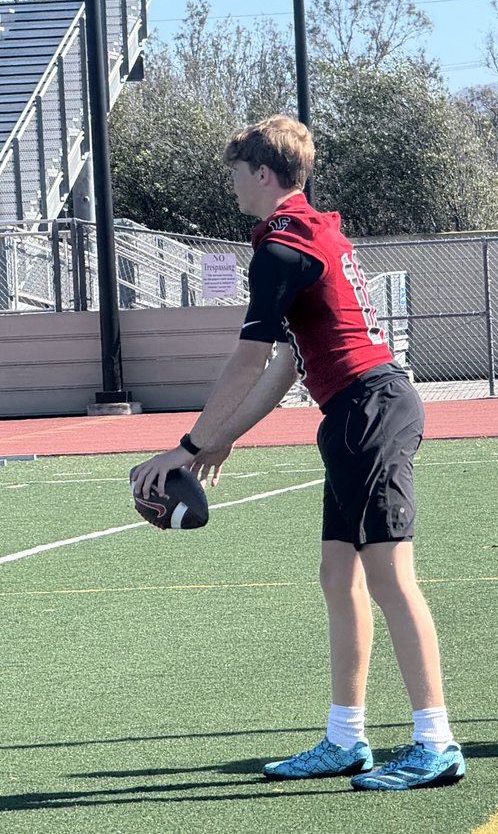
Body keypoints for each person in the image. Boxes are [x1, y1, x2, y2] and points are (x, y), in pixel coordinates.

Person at [130, 115, 465, 791]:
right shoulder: (310, 232)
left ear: (262, 172)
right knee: (337, 577)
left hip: (368, 409)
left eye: (235, 172)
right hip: (353, 414)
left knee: (390, 578)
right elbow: (287, 363)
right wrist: (220, 439)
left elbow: (248, 357)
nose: (230, 184)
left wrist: (188, 444)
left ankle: (436, 740)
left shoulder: (283, 246)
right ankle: (346, 738)